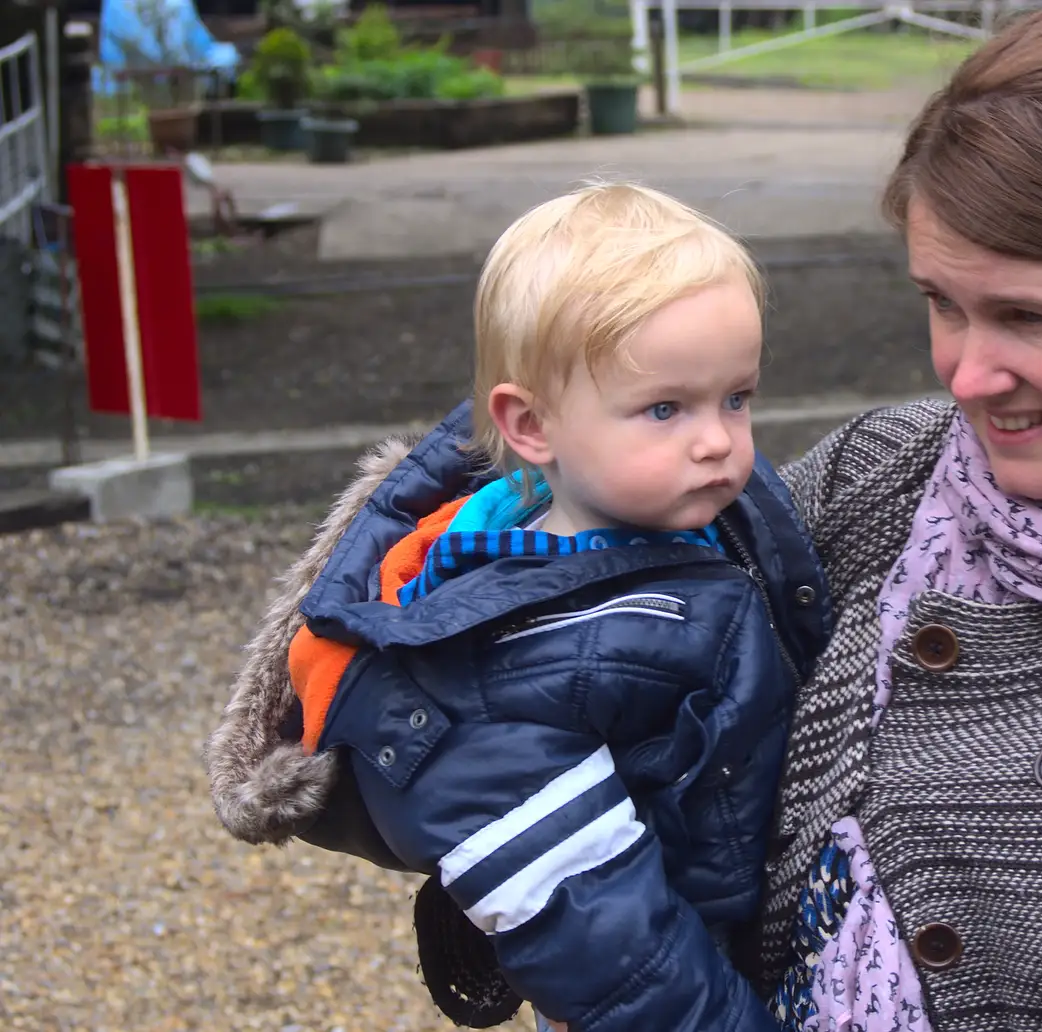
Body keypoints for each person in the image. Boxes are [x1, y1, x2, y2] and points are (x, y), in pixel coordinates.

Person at [209, 8, 1042, 1031]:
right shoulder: (884, 477)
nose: (964, 373)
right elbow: (558, 662)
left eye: (1031, 318)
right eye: (944, 302)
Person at [206, 183, 831, 1032]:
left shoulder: (674, 505)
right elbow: (607, 946)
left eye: (737, 397)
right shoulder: (491, 676)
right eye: (664, 408)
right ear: (531, 426)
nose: (718, 440)